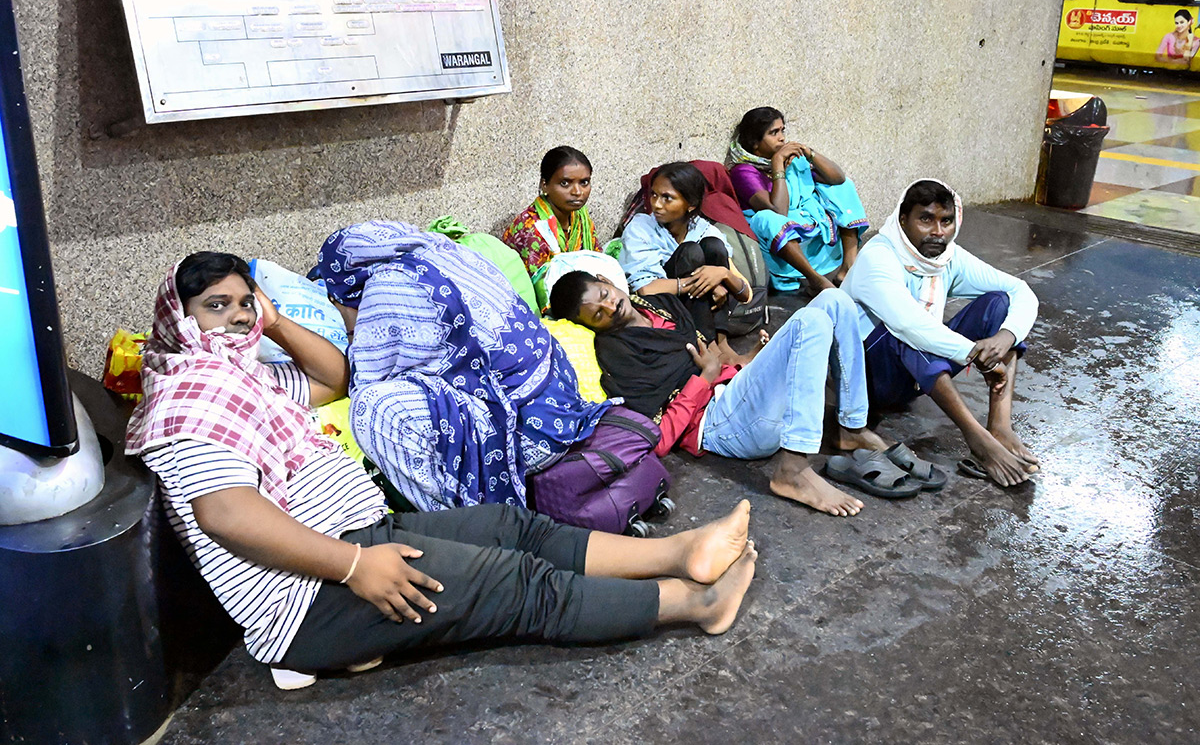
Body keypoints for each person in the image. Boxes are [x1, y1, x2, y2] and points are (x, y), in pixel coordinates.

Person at [126, 251, 759, 688]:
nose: (237, 317)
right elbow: (225, 512)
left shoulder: (245, 379)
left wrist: (273, 319)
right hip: (312, 596)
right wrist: (355, 567)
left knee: (515, 527)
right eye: (217, 306)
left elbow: (333, 376)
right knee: (516, 585)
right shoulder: (189, 399)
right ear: (182, 320)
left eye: (244, 302)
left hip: (360, 536)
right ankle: (693, 602)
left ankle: (680, 552)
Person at [550, 272, 933, 517]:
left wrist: (746, 362)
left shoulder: (658, 304)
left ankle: (851, 427)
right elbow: (660, 438)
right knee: (810, 320)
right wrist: (705, 377)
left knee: (834, 300)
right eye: (596, 314)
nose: (609, 306)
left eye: (603, 293)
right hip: (720, 425)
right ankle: (792, 470)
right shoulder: (617, 352)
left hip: (738, 395)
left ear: (607, 279)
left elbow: (713, 348)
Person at [310, 221, 612, 513]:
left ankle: (466, 523)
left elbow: (361, 379)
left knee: (371, 410)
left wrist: (351, 323)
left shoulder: (387, 288)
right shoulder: (449, 251)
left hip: (527, 440)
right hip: (564, 407)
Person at [841, 179, 1041, 487]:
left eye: (946, 221)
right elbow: (909, 324)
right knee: (907, 330)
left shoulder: (947, 258)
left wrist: (1005, 338)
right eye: (926, 219)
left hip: (915, 375)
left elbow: (1020, 291)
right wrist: (975, 353)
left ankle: (999, 426)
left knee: (999, 304)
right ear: (903, 219)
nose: (938, 231)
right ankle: (978, 440)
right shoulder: (879, 256)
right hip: (867, 379)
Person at [619, 162, 753, 363]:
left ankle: (721, 343)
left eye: (667, 198)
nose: (656, 204)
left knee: (714, 246)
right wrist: (703, 282)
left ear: (690, 204)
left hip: (701, 311)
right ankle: (708, 347)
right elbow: (645, 290)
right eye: (654, 195)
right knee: (690, 252)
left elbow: (746, 295)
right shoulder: (641, 227)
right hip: (665, 308)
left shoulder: (703, 229)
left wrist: (721, 275)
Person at [727, 107, 868, 293]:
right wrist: (778, 164)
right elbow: (778, 211)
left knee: (843, 186)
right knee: (767, 218)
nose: (782, 138)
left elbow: (838, 179)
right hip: (778, 241)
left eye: (782, 130)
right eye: (773, 133)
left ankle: (848, 265)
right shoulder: (743, 172)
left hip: (804, 222)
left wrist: (810, 153)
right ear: (755, 143)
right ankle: (814, 279)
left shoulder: (790, 159)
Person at [502, 146, 599, 279]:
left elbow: (599, 260)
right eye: (565, 183)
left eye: (584, 182)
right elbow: (540, 286)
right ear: (545, 185)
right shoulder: (532, 229)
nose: (577, 192)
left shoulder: (580, 218)